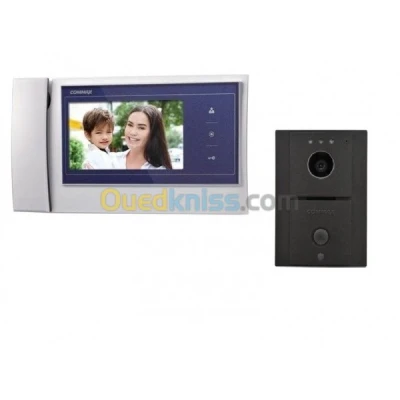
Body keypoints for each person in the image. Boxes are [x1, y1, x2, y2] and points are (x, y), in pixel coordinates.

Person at [115, 105, 172, 169]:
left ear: (153, 133)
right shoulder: (112, 160)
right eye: (130, 125)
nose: (133, 132)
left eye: (141, 128)